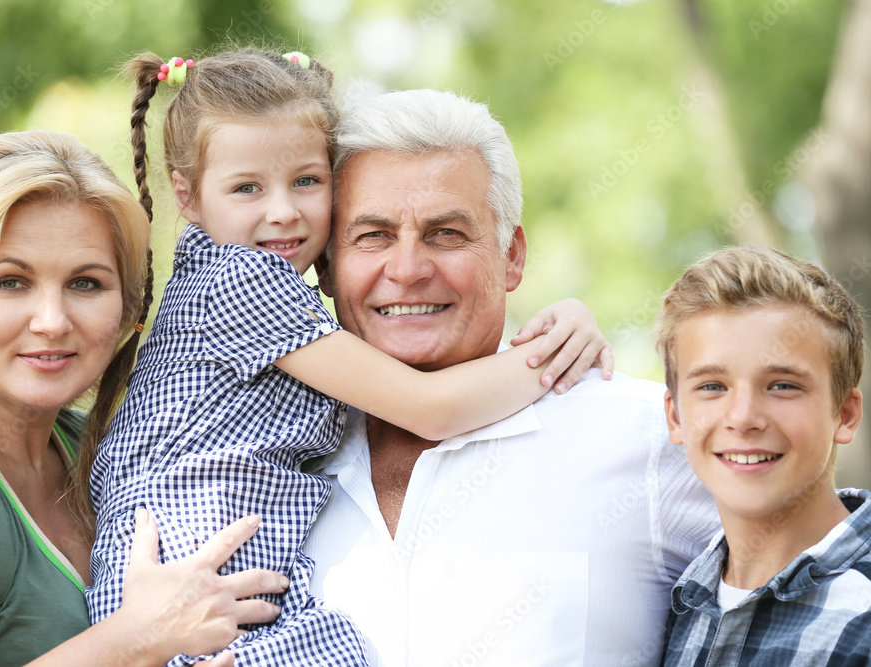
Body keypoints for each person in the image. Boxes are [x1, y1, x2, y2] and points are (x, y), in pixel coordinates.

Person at [84, 50, 614, 666]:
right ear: (190, 197)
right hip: (198, 573)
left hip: (208, 571)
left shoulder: (230, 286)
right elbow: (432, 407)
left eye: (306, 182)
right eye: (247, 188)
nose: (282, 210)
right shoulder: (241, 281)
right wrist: (555, 344)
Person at [302, 88, 722, 666]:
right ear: (326, 265)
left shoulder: (645, 436)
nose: (406, 270)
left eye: (446, 233)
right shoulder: (268, 460)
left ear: (512, 256)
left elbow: (813, 573)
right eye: (372, 235)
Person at [0, 130, 291, 667]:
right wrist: (136, 637)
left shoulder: (92, 444)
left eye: (86, 284)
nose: (53, 322)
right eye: (10, 282)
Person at [657, 245, 870, 665]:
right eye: (713, 386)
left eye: (782, 385)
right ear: (675, 417)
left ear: (844, 414)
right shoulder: (678, 599)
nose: (744, 417)